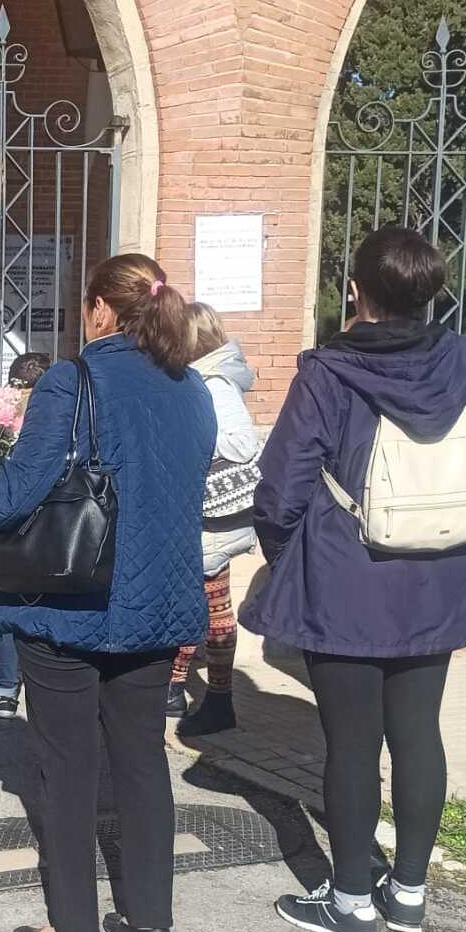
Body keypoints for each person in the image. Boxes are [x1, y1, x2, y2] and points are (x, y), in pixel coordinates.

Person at [242, 227, 466, 932]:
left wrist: (295, 555)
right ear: (430, 293)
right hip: (440, 581)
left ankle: (350, 905)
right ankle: (408, 893)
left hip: (346, 579)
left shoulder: (327, 373)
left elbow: (279, 493)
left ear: (355, 291)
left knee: (351, 743)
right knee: (418, 733)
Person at [0, 256, 214, 932]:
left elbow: (25, 484)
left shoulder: (74, 378)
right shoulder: (193, 389)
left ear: (98, 310)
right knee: (142, 761)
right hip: (158, 604)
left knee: (65, 768)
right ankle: (151, 920)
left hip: (74, 602)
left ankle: (72, 930)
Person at [170, 304, 260, 737]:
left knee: (211, 605)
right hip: (202, 513)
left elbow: (241, 444)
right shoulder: (202, 380)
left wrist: (188, 436)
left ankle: (219, 701)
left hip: (215, 513)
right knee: (197, 600)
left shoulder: (216, 383)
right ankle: (178, 688)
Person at [0, 351, 51, 719]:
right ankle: (45, 689)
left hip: (10, 522)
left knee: (6, 606)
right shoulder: (61, 412)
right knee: (47, 605)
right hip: (53, 525)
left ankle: (6, 693)